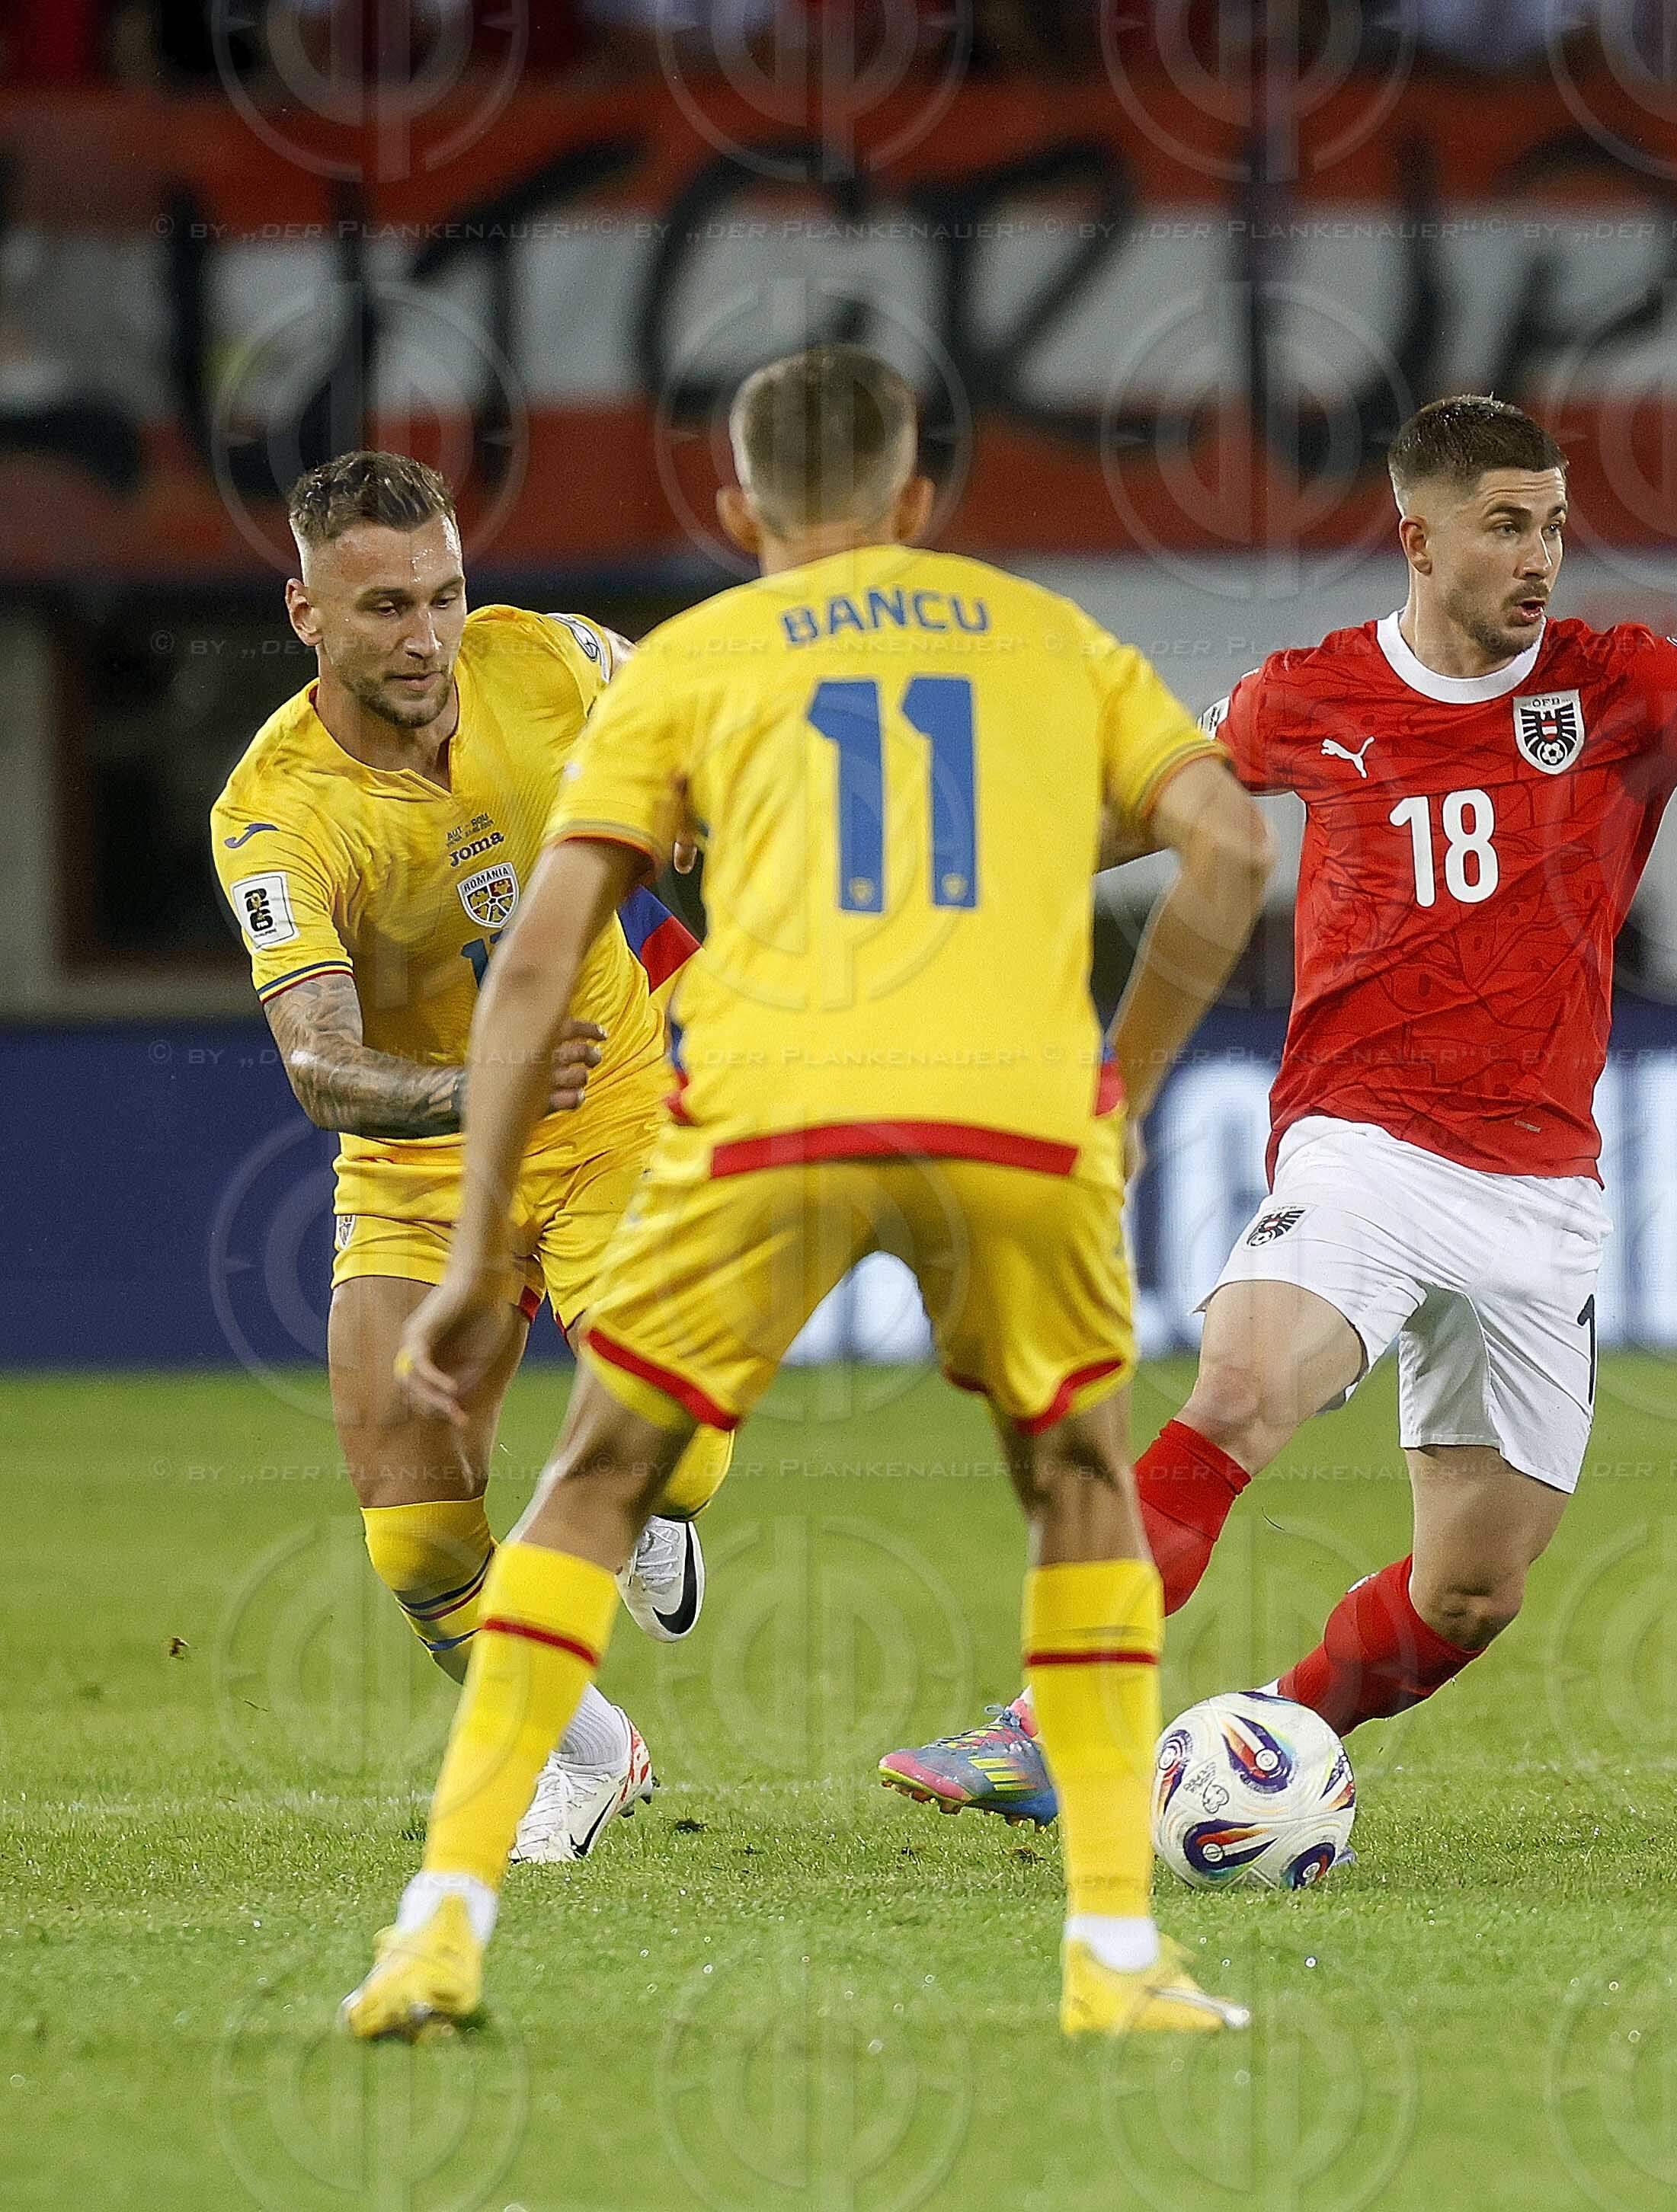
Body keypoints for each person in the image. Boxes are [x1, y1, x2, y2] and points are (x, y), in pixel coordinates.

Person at [878, 393, 1677, 1817]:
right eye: (1507, 526)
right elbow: (1133, 820)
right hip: (1363, 1149)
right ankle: (1050, 1724)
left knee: (1472, 1590)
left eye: (1556, 528)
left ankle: (1261, 1745)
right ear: (1418, 535)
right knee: (1236, 1392)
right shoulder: (1312, 693)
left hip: (1542, 1197)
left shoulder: (1621, 684)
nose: (1542, 558)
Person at [338, 344, 1272, 2041]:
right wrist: (1121, 1070)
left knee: (596, 1480)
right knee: (1075, 1482)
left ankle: (442, 1926)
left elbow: (547, 946)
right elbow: (1232, 846)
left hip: (773, 1104)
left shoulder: (689, 661)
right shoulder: (1046, 632)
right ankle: (1118, 1958)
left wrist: (479, 1254)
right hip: (1015, 1114)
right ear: (919, 502)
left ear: (736, 505)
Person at [209, 450, 729, 1866]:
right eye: (382, 608)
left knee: (657, 1444)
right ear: (307, 613)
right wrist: (475, 1083)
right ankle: (589, 1750)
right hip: (423, 1158)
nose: (426, 636)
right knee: (416, 1545)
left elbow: (726, 736)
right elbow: (320, 1066)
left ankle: (660, 1507)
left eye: (443, 596)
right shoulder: (274, 814)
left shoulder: (555, 665)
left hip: (609, 1102)